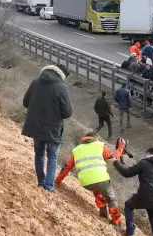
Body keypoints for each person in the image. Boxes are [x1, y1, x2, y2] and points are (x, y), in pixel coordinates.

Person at [55, 132, 126, 224]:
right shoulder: (100, 145)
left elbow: (67, 167)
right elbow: (112, 160)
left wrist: (57, 181)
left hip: (86, 183)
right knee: (111, 199)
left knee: (97, 188)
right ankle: (116, 220)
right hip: (101, 180)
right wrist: (120, 148)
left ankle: (102, 209)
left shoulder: (76, 150)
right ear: (95, 138)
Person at [22, 63, 73, 192]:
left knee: (39, 153)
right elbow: (67, 112)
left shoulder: (35, 82)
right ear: (62, 75)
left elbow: (25, 102)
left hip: (36, 126)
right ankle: (49, 187)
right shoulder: (62, 87)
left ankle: (41, 182)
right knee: (52, 157)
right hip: (53, 129)